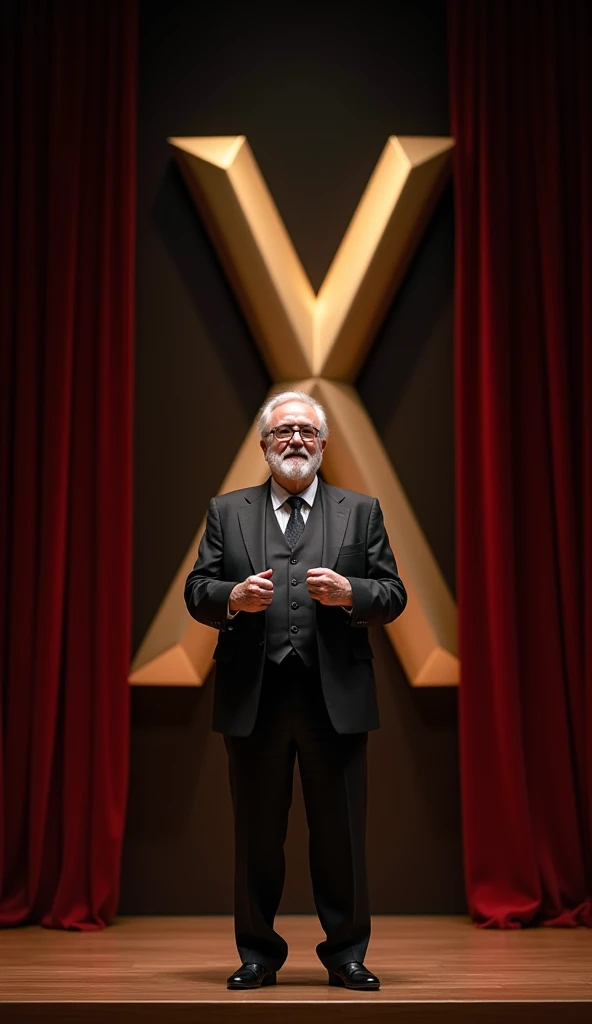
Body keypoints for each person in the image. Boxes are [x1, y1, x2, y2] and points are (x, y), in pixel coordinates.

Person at [184, 390, 407, 991]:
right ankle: (257, 954)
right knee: (256, 836)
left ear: (324, 444)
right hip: (253, 697)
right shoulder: (227, 511)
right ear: (263, 445)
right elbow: (197, 588)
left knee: (342, 836)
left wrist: (350, 594)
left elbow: (393, 593)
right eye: (283, 432)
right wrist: (231, 598)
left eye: (307, 431)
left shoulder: (360, 511)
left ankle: (347, 955)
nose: (296, 441)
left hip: (333, 697)